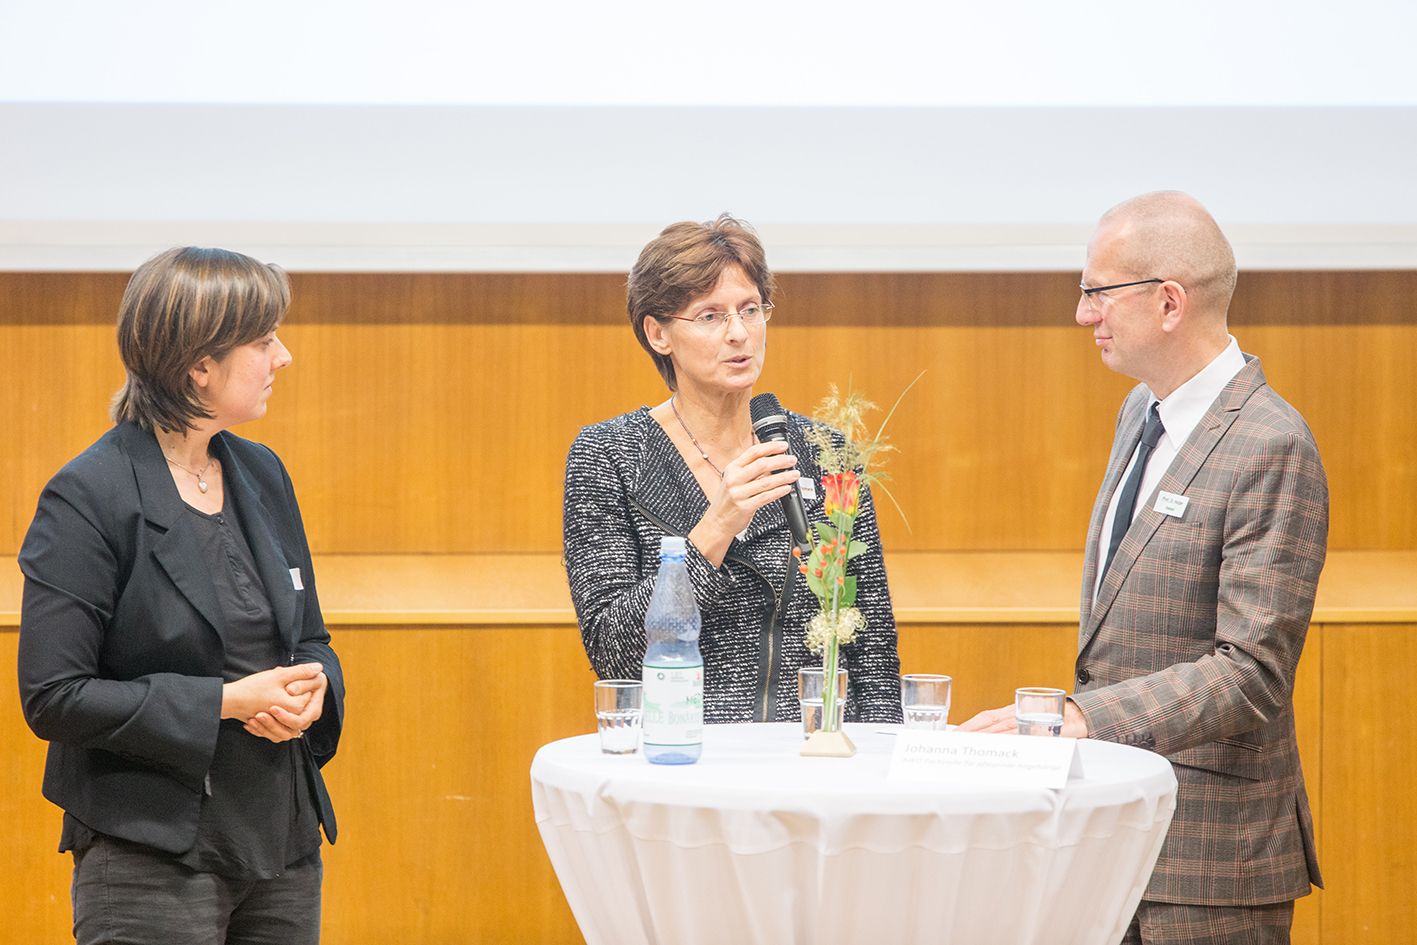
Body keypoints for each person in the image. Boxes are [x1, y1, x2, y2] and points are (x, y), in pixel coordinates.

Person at [960, 192, 1326, 944]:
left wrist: (1085, 716)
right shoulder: (1140, 410)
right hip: (1116, 838)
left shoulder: (1269, 442)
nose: (1080, 313)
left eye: (1096, 291)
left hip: (1209, 866)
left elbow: (1251, 671)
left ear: (1167, 303)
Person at [17, 247, 343, 945]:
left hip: (280, 842)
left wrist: (314, 686)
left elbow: (309, 636)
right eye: (263, 340)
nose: (282, 356)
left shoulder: (262, 472)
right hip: (150, 851)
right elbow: (54, 694)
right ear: (199, 366)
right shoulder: (88, 496)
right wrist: (230, 701)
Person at [563, 214, 902, 723]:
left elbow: (870, 647)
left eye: (750, 309)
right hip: (685, 754)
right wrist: (715, 528)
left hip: (816, 758)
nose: (740, 333)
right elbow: (617, 653)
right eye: (710, 316)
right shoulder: (610, 456)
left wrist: (880, 768)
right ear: (658, 333)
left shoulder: (825, 452)